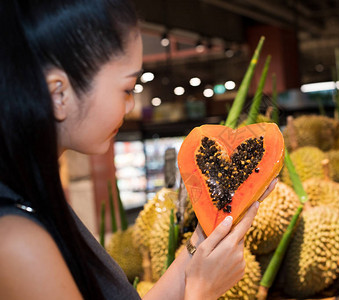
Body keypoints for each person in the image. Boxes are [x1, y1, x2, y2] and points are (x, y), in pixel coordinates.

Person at [0, 1, 277, 299]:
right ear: (59, 94)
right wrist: (202, 291)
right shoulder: (16, 242)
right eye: (128, 88)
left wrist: (204, 238)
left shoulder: (32, 202)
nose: (131, 105)